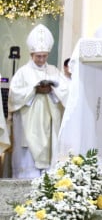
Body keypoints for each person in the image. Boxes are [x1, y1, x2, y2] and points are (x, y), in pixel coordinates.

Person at [8, 24, 69, 178]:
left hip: (49, 124)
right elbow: (14, 96)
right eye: (38, 56)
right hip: (28, 126)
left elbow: (67, 92)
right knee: (28, 163)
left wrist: (52, 90)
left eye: (44, 56)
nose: (41, 59)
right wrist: (34, 90)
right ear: (31, 54)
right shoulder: (23, 73)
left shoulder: (53, 71)